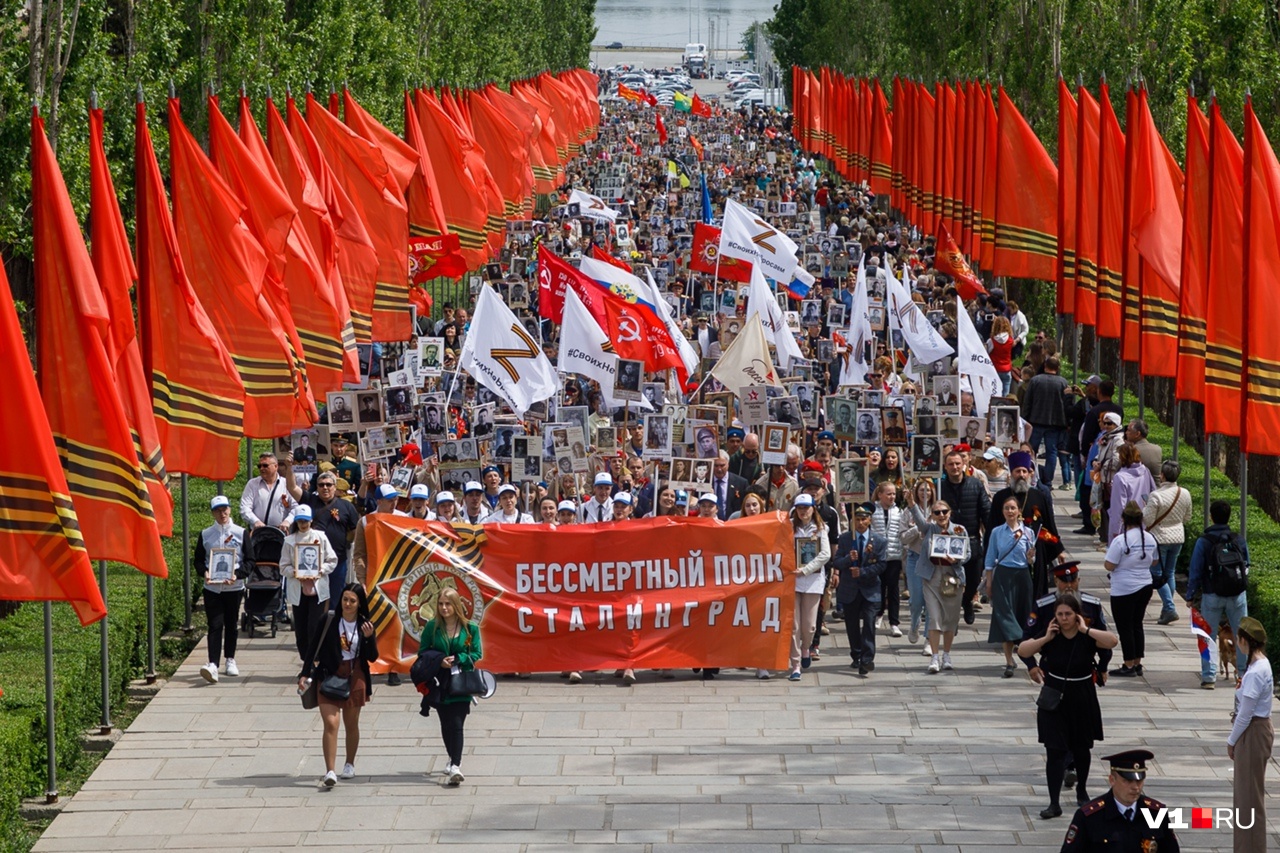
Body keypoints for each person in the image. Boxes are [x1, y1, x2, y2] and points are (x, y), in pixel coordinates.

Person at [1018, 593, 1118, 818]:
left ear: (1077, 616)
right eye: (1060, 614)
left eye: (1068, 614)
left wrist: (1086, 630)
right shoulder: (1050, 635)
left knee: (1082, 748)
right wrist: (1044, 638)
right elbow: (1023, 650)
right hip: (1054, 697)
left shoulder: (1087, 635)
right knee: (1054, 751)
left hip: (1082, 695)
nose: (1064, 618)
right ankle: (1054, 802)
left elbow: (1112, 641)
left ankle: (1082, 790)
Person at [298, 583, 379, 787]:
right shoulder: (329, 619)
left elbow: (372, 657)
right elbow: (312, 648)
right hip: (329, 674)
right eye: (345, 599)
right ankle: (330, 771)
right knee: (331, 723)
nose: (348, 604)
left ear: (359, 603)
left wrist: (369, 639)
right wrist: (304, 673)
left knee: (351, 724)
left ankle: (349, 764)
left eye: (353, 601)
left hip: (355, 675)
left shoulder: (365, 624)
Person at [419, 587, 483, 786]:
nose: (444, 608)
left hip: (461, 683)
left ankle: (456, 765)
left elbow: (476, 654)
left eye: (448, 604)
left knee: (457, 724)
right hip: (440, 683)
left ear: (456, 605)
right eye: (441, 604)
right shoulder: (432, 627)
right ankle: (451, 756)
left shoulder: (470, 628)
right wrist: (439, 661)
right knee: (445, 724)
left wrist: (459, 658)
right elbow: (423, 652)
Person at [1185, 499, 1251, 688]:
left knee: (1207, 635)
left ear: (1212, 517)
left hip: (1212, 594)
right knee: (1242, 634)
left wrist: (1190, 595)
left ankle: (1208, 676)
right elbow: (1246, 565)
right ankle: (1243, 674)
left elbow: (1195, 571)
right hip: (1237, 595)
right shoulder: (1238, 539)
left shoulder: (1204, 541)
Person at [1059, 749, 1181, 850]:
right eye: (1127, 781)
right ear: (1112, 780)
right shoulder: (1089, 817)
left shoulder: (1156, 813)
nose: (1135, 787)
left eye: (1139, 781)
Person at [905, 489, 968, 673]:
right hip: (932, 576)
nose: (941, 515)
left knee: (950, 618)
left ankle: (946, 654)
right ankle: (934, 657)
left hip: (953, 578)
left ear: (950, 513)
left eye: (944, 512)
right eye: (937, 512)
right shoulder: (929, 528)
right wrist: (911, 503)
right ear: (932, 515)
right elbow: (918, 519)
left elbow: (968, 553)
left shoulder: (959, 530)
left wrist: (956, 560)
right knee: (934, 617)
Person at [1228, 617, 1272, 853]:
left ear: (1244, 641)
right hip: (1255, 730)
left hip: (1251, 732)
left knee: (1248, 800)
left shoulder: (1255, 672)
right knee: (1247, 798)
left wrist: (1231, 741)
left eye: (1238, 639)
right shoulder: (1260, 664)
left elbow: (1245, 714)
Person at [194, 495, 245, 683]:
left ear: (230, 510)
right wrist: (205, 572)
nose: (222, 513)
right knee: (215, 624)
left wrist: (238, 575)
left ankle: (230, 659)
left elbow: (250, 561)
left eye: (225, 509)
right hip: (212, 588)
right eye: (217, 510)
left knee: (231, 624)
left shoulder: (241, 532)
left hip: (234, 587)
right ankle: (213, 663)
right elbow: (198, 560)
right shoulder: (206, 534)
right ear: (213, 513)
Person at [1103, 501, 1157, 678]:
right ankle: (1138, 662)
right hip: (1145, 585)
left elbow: (1109, 565)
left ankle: (1128, 664)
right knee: (1137, 624)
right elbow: (1154, 561)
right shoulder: (1149, 538)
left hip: (1124, 588)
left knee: (1124, 626)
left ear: (1124, 519)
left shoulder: (1121, 540)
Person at [985, 494, 1037, 678]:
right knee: (1004, 615)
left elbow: (1032, 561)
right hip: (1003, 577)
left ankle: (1024, 651)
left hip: (1021, 577)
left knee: (1022, 615)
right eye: (1006, 508)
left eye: (1013, 508)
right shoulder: (997, 532)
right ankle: (1008, 661)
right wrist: (989, 581)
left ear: (1019, 511)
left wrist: (1031, 556)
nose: (1010, 511)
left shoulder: (1028, 533)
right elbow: (990, 559)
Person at [833, 502, 887, 675]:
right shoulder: (846, 539)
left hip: (870, 589)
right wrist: (849, 559)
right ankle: (856, 654)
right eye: (857, 519)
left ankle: (867, 659)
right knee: (852, 625)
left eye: (864, 519)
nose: (861, 523)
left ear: (870, 520)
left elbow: (882, 565)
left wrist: (863, 572)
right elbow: (837, 562)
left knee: (869, 624)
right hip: (850, 589)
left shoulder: (879, 541)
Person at [282, 504, 339, 669]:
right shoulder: (289, 541)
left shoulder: (320, 537)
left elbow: (332, 560)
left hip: (317, 590)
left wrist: (320, 570)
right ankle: (306, 660)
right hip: (298, 590)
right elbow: (282, 566)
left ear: (311, 520)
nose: (303, 524)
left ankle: (316, 661)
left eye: (305, 521)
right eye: (299, 521)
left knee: (315, 627)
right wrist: (295, 572)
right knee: (301, 631)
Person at [940, 450, 990, 625]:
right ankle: (951, 617)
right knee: (949, 582)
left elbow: (986, 510)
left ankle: (967, 600)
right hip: (947, 542)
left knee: (974, 578)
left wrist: (991, 529)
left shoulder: (975, 484)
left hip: (972, 540)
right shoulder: (940, 486)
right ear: (945, 467)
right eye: (951, 464)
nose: (954, 467)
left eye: (957, 464)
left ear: (964, 465)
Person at [787, 494, 831, 681]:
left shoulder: (821, 529)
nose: (803, 511)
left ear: (813, 508)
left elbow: (825, 554)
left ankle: (807, 647)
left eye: (806, 507)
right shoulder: (788, 526)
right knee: (794, 625)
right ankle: (795, 664)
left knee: (810, 625)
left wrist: (806, 569)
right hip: (792, 581)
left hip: (812, 580)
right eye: (800, 508)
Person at [1142, 461, 1191, 626]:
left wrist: (1144, 508)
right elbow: (1187, 517)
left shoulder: (1156, 495)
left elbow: (1148, 519)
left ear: (1162, 475)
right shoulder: (1185, 493)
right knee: (1169, 573)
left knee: (1157, 574)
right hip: (1177, 537)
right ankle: (1166, 608)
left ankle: (1169, 607)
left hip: (1159, 537)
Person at [868, 482, 905, 638]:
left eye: (894, 494)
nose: (892, 497)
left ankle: (894, 622)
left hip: (894, 555)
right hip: (877, 556)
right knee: (879, 587)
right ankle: (878, 613)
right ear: (880, 494)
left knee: (893, 589)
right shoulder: (872, 510)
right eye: (888, 494)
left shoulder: (899, 511)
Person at [1107, 444, 1155, 544]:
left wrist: (1115, 531)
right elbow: (1153, 493)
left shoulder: (1120, 477)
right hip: (1143, 521)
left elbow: (1118, 507)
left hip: (1126, 525)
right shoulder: (1146, 471)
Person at [239, 452, 297, 531]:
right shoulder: (252, 484)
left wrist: (287, 521)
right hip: (259, 534)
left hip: (282, 534)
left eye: (265, 465)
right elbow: (244, 508)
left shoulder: (286, 484)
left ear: (276, 466)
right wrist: (255, 521)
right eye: (259, 466)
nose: (261, 468)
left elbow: (296, 507)